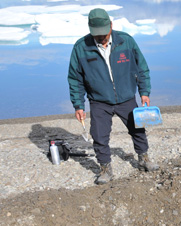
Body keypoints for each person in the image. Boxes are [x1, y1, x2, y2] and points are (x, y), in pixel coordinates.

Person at [68, 8, 159, 184]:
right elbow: (75, 79)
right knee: (99, 135)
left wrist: (144, 92)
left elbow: (142, 68)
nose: (101, 38)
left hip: (126, 97)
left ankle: (144, 159)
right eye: (97, 35)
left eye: (104, 33)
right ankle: (105, 169)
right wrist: (78, 105)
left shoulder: (126, 41)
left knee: (138, 129)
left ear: (111, 25)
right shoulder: (81, 48)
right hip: (99, 101)